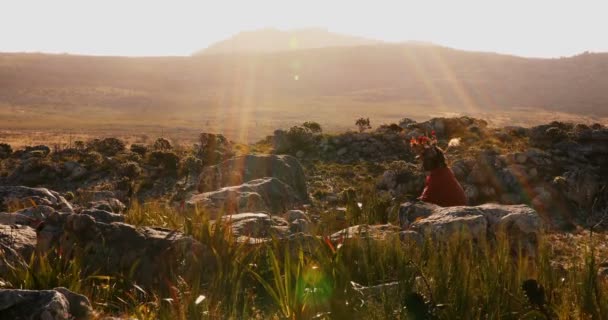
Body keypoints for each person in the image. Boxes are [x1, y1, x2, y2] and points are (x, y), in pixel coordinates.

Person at [410, 134, 467, 207]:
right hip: (458, 206)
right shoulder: (444, 172)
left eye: (423, 159)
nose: (422, 161)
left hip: (453, 209)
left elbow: (428, 196)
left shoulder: (438, 176)